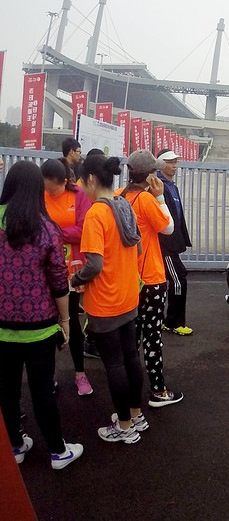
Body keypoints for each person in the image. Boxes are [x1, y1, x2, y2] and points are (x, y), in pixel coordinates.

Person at [0, 161, 84, 470]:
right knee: (42, 390)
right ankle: (58, 451)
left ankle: (15, 446)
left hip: (1, 329)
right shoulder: (47, 228)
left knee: (6, 390)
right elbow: (59, 281)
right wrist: (64, 322)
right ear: (38, 189)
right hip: (39, 326)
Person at [72, 153, 149, 444]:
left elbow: (93, 265)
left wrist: (74, 280)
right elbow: (138, 249)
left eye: (82, 181)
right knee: (131, 356)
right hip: (129, 294)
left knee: (114, 363)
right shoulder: (124, 205)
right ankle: (135, 414)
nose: (82, 187)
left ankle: (125, 427)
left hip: (105, 300)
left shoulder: (96, 214)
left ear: (91, 179)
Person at [119, 150, 184, 407]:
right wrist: (159, 197)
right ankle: (158, 391)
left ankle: (129, 387)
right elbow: (168, 227)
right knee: (153, 336)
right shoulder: (147, 200)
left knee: (131, 336)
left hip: (128, 278)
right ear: (149, 176)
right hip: (151, 278)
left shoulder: (118, 197)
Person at [41, 158, 94, 397]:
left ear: (65, 181)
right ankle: (48, 375)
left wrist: (54, 234)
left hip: (70, 268)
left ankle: (80, 373)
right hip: (43, 267)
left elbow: (84, 229)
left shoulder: (79, 195)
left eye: (54, 188)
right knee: (47, 321)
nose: (50, 193)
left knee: (71, 318)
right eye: (46, 187)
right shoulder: (38, 195)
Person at [156, 149, 194, 336]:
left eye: (176, 162)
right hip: (165, 244)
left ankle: (169, 320)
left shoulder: (171, 185)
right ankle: (173, 322)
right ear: (161, 163)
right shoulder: (158, 186)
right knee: (178, 280)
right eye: (170, 162)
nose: (174, 166)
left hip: (172, 243)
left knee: (174, 279)